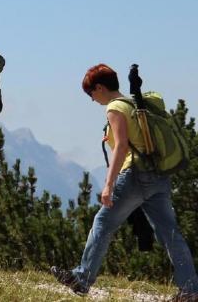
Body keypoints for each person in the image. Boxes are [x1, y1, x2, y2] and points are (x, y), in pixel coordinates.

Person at [50, 64, 198, 299]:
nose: (92, 99)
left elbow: (121, 147)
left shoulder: (115, 108)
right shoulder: (134, 104)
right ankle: (190, 290)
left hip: (134, 176)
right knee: (170, 233)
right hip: (158, 176)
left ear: (100, 87)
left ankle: (82, 278)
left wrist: (109, 185)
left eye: (91, 93)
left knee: (103, 223)